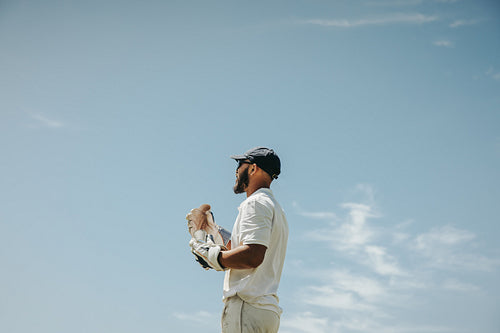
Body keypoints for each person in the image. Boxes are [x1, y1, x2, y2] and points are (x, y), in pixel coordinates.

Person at [189, 147, 289, 333]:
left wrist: (209, 255)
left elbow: (252, 256)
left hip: (246, 305)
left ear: (253, 169)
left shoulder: (255, 203)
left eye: (240, 164)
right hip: (265, 311)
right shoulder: (275, 208)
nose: (236, 170)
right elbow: (246, 247)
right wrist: (212, 228)